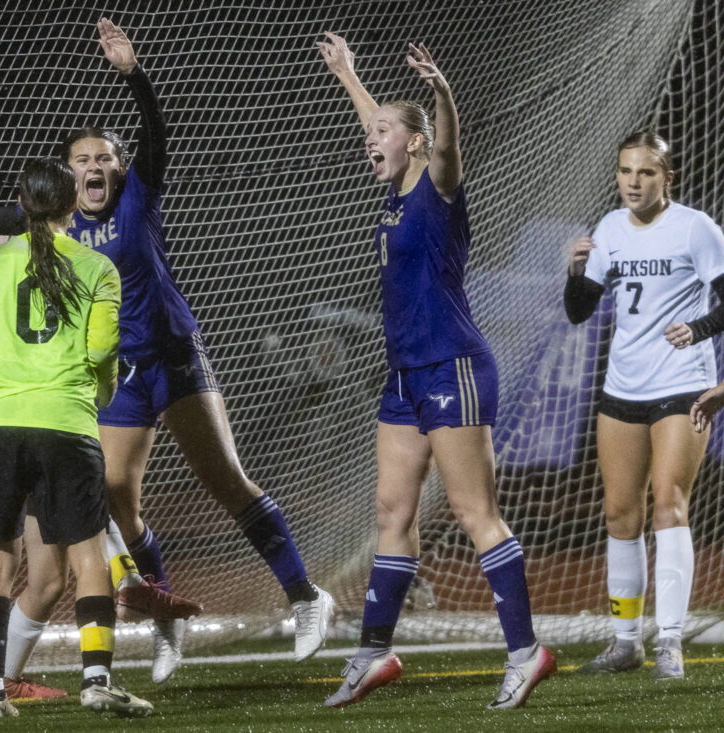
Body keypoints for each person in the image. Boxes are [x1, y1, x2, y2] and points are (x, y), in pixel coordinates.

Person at [0, 17, 332, 684]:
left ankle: (305, 595)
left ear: (119, 168)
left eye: (105, 157)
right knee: (116, 500)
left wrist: (135, 75)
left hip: (174, 358)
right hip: (115, 375)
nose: (96, 166)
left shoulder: (139, 197)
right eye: (83, 159)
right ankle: (166, 621)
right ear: (66, 178)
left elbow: (157, 135)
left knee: (226, 481)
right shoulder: (52, 221)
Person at [317, 34, 555, 709]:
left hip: (455, 364)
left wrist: (443, 93)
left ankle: (524, 650)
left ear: (416, 143)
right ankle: (373, 653)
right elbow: (381, 126)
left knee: (474, 510)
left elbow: (445, 146)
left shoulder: (437, 188)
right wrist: (351, 78)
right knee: (392, 510)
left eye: (388, 132)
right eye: (374, 132)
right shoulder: (393, 191)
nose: (373, 139)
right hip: (404, 375)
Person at [0, 155, 151, 718]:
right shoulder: (97, 267)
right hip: (66, 422)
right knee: (89, 557)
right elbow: (101, 351)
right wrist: (102, 393)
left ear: (21, 203)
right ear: (72, 207)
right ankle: (96, 681)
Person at [564, 131, 724, 680]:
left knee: (668, 505)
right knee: (619, 513)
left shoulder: (695, 228)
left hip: (683, 384)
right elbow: (579, 312)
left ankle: (672, 643)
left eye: (646, 172)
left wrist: (699, 328)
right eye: (626, 171)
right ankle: (625, 641)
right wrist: (574, 271)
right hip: (623, 388)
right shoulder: (609, 228)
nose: (634, 181)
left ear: (667, 177)